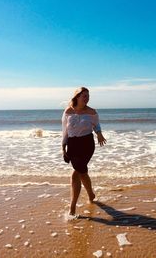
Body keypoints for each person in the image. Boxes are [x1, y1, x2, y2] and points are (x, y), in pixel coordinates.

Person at [61, 87, 106, 217]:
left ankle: (72, 207)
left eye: (88, 96)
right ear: (77, 97)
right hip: (72, 145)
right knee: (82, 172)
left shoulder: (92, 111)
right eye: (84, 96)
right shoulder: (68, 111)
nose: (87, 98)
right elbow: (64, 130)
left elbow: (96, 125)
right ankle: (91, 194)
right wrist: (63, 147)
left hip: (87, 144)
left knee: (76, 173)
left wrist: (99, 134)